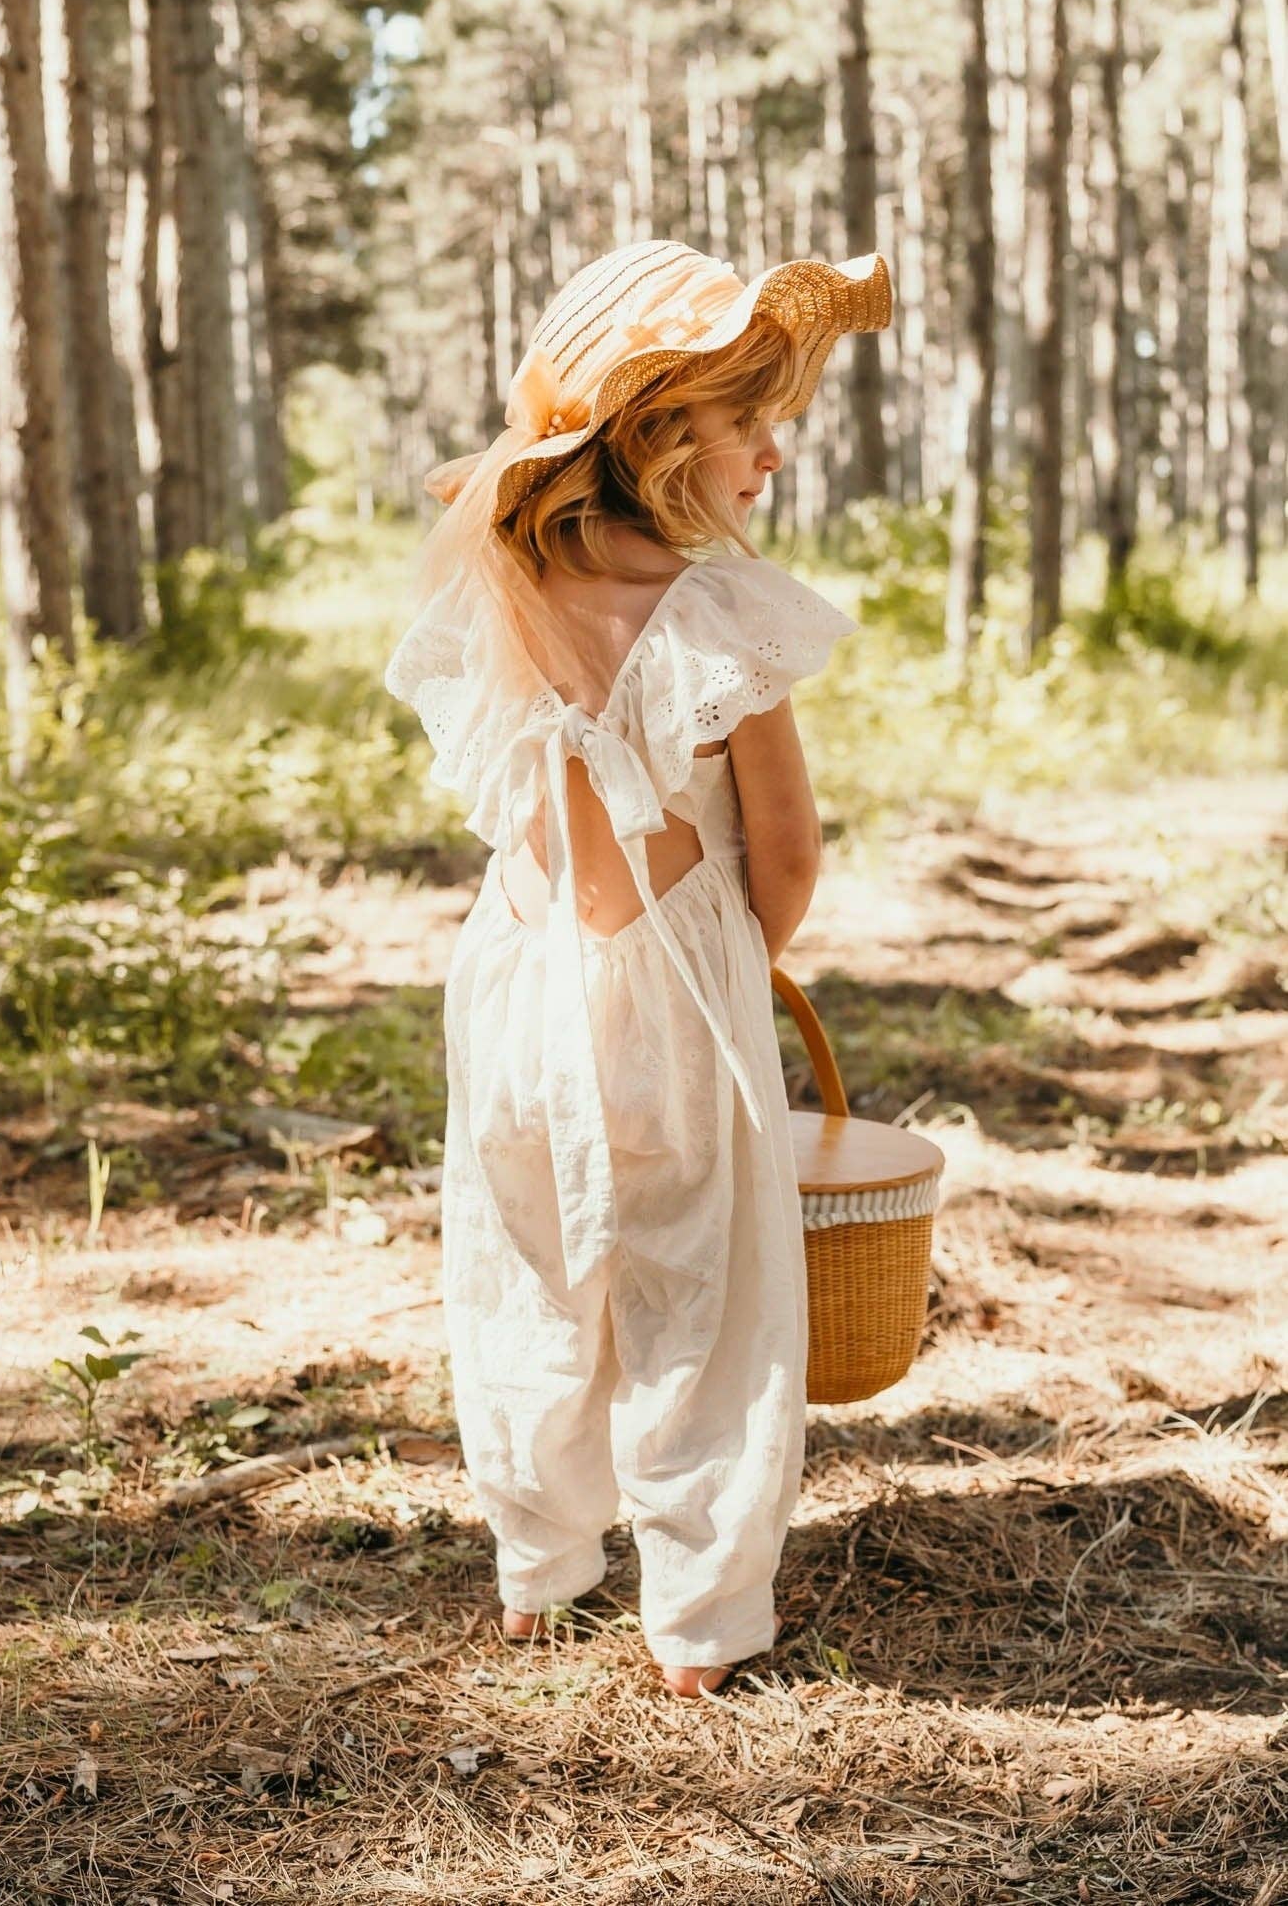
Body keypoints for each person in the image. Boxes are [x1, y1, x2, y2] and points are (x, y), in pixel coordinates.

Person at [383, 237, 892, 1698]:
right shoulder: (721, 617)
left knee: (530, 1269)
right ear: (662, 433)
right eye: (747, 422)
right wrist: (734, 967)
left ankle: (539, 1567)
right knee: (706, 1292)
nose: (773, 452)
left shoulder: (502, 589)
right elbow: (785, 848)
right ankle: (703, 1617)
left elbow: (507, 803)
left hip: (520, 985)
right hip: (672, 986)